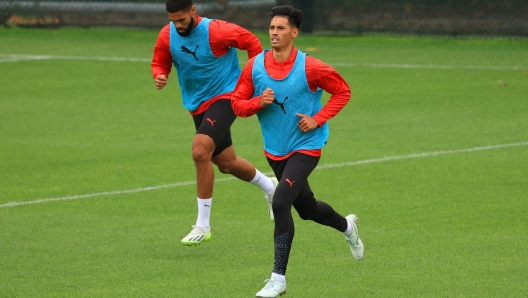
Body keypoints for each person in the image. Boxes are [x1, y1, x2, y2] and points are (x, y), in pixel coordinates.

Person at [231, 5, 364, 297]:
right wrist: (258, 103)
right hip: (274, 150)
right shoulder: (254, 66)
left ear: (294, 32)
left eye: (280, 28)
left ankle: (278, 279)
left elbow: (342, 91)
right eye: (271, 28)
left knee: (280, 202)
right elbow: (237, 104)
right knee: (307, 210)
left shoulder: (311, 67)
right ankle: (347, 226)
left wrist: (318, 118)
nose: (274, 33)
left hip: (306, 147)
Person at [151, 0, 278, 246]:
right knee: (226, 163)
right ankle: (271, 187)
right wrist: (160, 74)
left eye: (182, 20)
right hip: (197, 104)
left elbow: (251, 42)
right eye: (172, 20)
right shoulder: (168, 34)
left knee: (200, 151)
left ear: (193, 11)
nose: (177, 25)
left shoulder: (217, 30)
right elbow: (160, 61)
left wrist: (253, 79)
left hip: (227, 95)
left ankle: (203, 225)